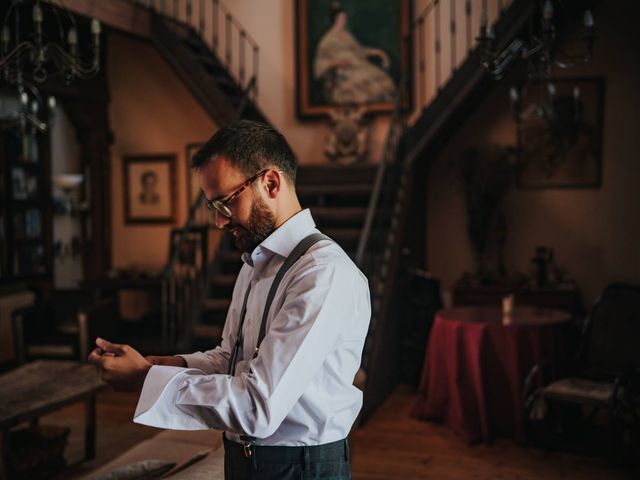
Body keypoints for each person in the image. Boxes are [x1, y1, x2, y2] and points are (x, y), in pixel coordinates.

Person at [88, 120, 371, 479]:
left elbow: (257, 405)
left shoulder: (322, 275)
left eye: (226, 203)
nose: (220, 223)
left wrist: (146, 378)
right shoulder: (255, 262)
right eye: (213, 208)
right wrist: (164, 365)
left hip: (299, 468)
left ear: (270, 183)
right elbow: (231, 359)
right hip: (245, 459)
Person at [313, 6, 395, 105]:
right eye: (341, 18)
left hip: (357, 66)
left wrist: (378, 52)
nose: (344, 21)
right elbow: (320, 62)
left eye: (344, 18)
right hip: (343, 71)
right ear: (335, 20)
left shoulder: (346, 35)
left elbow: (359, 51)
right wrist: (335, 62)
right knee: (364, 81)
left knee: (382, 77)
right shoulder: (327, 40)